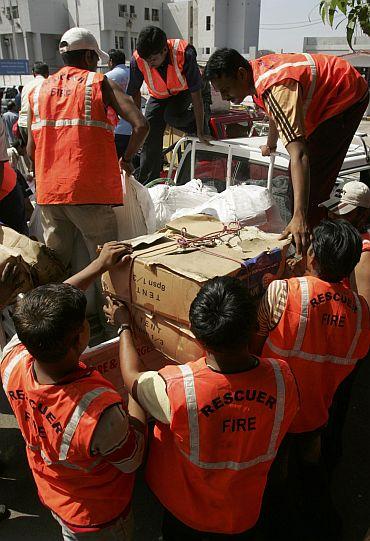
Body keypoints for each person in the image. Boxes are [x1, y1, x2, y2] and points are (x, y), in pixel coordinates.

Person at [105, 276, 299, 540]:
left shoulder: (174, 389)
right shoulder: (283, 378)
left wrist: (124, 325)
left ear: (197, 336)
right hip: (245, 511)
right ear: (254, 324)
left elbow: (131, 375)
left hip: (187, 516)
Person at [1, 242, 146, 541]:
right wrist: (136, 381)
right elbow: (132, 457)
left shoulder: (12, 357)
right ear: (80, 336)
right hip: (101, 516)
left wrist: (99, 265)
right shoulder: (98, 414)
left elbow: (42, 313)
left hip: (57, 495)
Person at [204, 49, 369, 255]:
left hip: (347, 94)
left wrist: (299, 215)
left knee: (311, 186)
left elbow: (300, 155)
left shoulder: (276, 86)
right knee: (299, 183)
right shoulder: (257, 78)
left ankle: (315, 253)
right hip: (328, 93)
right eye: (220, 91)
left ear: (241, 74)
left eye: (226, 89)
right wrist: (271, 143)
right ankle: (307, 234)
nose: (224, 96)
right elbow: (275, 112)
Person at [253, 220, 369, 456]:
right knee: (308, 458)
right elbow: (356, 356)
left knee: (277, 462)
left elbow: (255, 345)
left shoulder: (283, 291)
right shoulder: (360, 310)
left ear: (312, 255)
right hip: (318, 410)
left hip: (273, 406)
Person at [127, 26, 211, 184]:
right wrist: (137, 123)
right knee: (148, 132)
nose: (149, 65)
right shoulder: (138, 60)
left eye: (152, 60)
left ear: (164, 50)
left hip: (186, 90)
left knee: (171, 116)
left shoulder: (184, 53)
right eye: (146, 61)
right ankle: (149, 183)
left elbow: (196, 94)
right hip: (159, 95)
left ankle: (198, 126)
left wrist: (200, 130)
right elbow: (135, 91)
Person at [319, 180, 370, 306]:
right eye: (331, 209)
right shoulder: (340, 242)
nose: (331, 215)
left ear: (363, 215)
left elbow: (364, 309)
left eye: (341, 213)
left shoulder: (364, 253)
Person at [105, 49, 132, 160]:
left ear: (111, 61)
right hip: (133, 126)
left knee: (113, 162)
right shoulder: (133, 73)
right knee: (128, 163)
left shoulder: (107, 77)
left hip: (116, 127)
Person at [18, 62, 49, 145]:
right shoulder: (47, 83)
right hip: (36, 125)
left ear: (33, 73)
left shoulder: (26, 85)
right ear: (47, 73)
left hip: (22, 124)